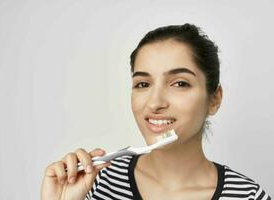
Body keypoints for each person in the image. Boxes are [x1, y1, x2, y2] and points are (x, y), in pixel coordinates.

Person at [41, 23, 271, 200]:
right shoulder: (98, 184)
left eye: (180, 83)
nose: (155, 103)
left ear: (214, 99)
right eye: (143, 84)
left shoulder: (248, 196)